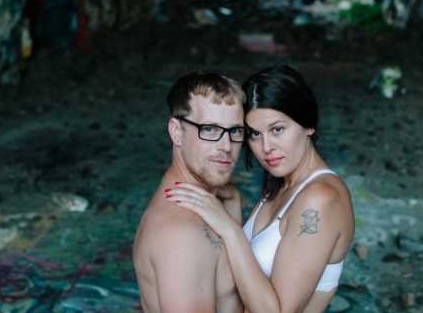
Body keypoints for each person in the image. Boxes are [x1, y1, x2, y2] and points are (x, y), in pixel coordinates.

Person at [167, 65, 355, 313]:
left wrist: (230, 230)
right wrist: (233, 201)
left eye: (277, 129)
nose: (266, 147)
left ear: (308, 125)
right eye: (254, 134)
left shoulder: (321, 199)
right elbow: (242, 275)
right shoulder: (280, 187)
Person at [133, 70, 247, 313]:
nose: (226, 146)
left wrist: (233, 213)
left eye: (235, 131)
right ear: (177, 132)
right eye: (209, 129)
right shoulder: (182, 234)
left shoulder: (210, 203)